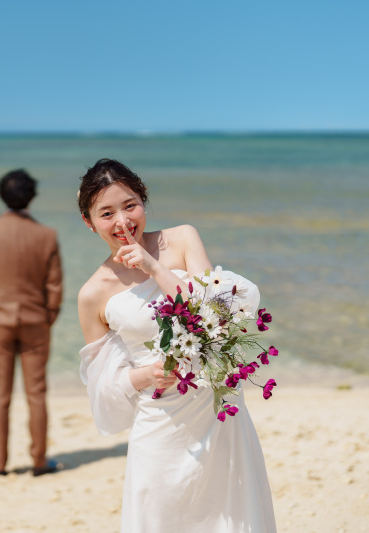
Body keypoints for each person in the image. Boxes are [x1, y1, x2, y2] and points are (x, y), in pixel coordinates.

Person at [77, 159, 276, 531]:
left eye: (130, 205)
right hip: (160, 421)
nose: (122, 221)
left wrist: (154, 268)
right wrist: (146, 375)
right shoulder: (92, 294)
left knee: (230, 514)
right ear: (89, 222)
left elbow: (217, 312)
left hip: (217, 407)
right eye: (106, 213)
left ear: (143, 200)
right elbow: (103, 387)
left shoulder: (183, 239)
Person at [0, 169, 63, 477]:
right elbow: (54, 284)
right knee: (36, 393)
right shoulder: (46, 235)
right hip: (35, 320)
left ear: (2, 195)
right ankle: (39, 460)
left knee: (0, 396)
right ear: (32, 196)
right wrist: (49, 314)